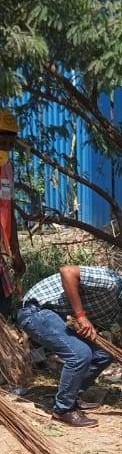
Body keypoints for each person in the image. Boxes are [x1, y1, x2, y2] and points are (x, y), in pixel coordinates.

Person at [16, 267, 122, 427]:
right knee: (80, 354)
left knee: (104, 354)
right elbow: (67, 272)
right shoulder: (111, 282)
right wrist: (81, 316)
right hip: (36, 310)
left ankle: (70, 396)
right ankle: (63, 409)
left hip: (54, 317)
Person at [0, 109, 25, 318]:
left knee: (6, 305)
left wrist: (15, 252)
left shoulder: (7, 166)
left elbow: (9, 208)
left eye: (10, 143)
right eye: (2, 142)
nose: (6, 147)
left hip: (3, 248)